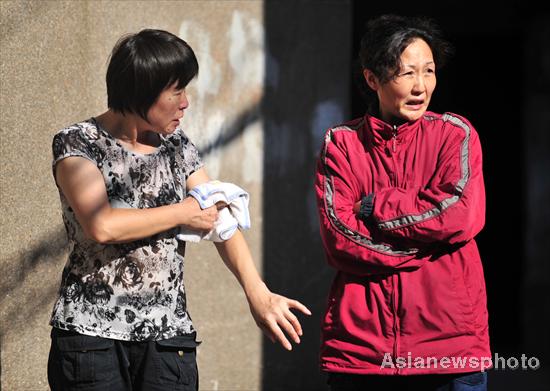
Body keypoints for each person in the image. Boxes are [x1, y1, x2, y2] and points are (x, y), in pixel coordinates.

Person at [47, 29, 311, 391]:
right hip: (91, 340)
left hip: (168, 340)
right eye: (177, 91)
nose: (186, 103)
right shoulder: (78, 142)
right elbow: (102, 225)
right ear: (144, 90)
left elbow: (221, 219)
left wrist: (257, 293)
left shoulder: (177, 147)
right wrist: (183, 212)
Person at [315, 14, 491, 390]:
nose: (420, 86)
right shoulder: (342, 144)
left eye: (428, 72)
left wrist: (375, 206)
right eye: (406, 73)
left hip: (450, 351)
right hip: (362, 354)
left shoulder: (454, 135)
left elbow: (461, 215)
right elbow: (339, 239)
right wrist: (429, 247)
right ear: (372, 79)